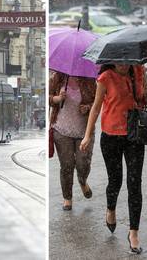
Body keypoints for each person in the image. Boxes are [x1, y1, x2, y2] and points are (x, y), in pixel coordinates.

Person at [80, 64, 147, 254]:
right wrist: (87, 135)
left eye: (127, 59)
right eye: (119, 60)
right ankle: (111, 209)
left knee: (135, 182)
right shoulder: (105, 77)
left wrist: (146, 93)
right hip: (111, 136)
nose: (123, 64)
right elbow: (96, 107)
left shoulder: (139, 71)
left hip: (134, 135)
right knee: (115, 181)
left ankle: (134, 233)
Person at [49, 70, 96, 210]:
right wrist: (56, 99)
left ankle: (82, 180)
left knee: (83, 163)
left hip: (84, 131)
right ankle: (67, 197)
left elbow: (98, 101)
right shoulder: (57, 77)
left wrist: (87, 107)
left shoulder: (89, 79)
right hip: (61, 130)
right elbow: (47, 97)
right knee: (66, 165)